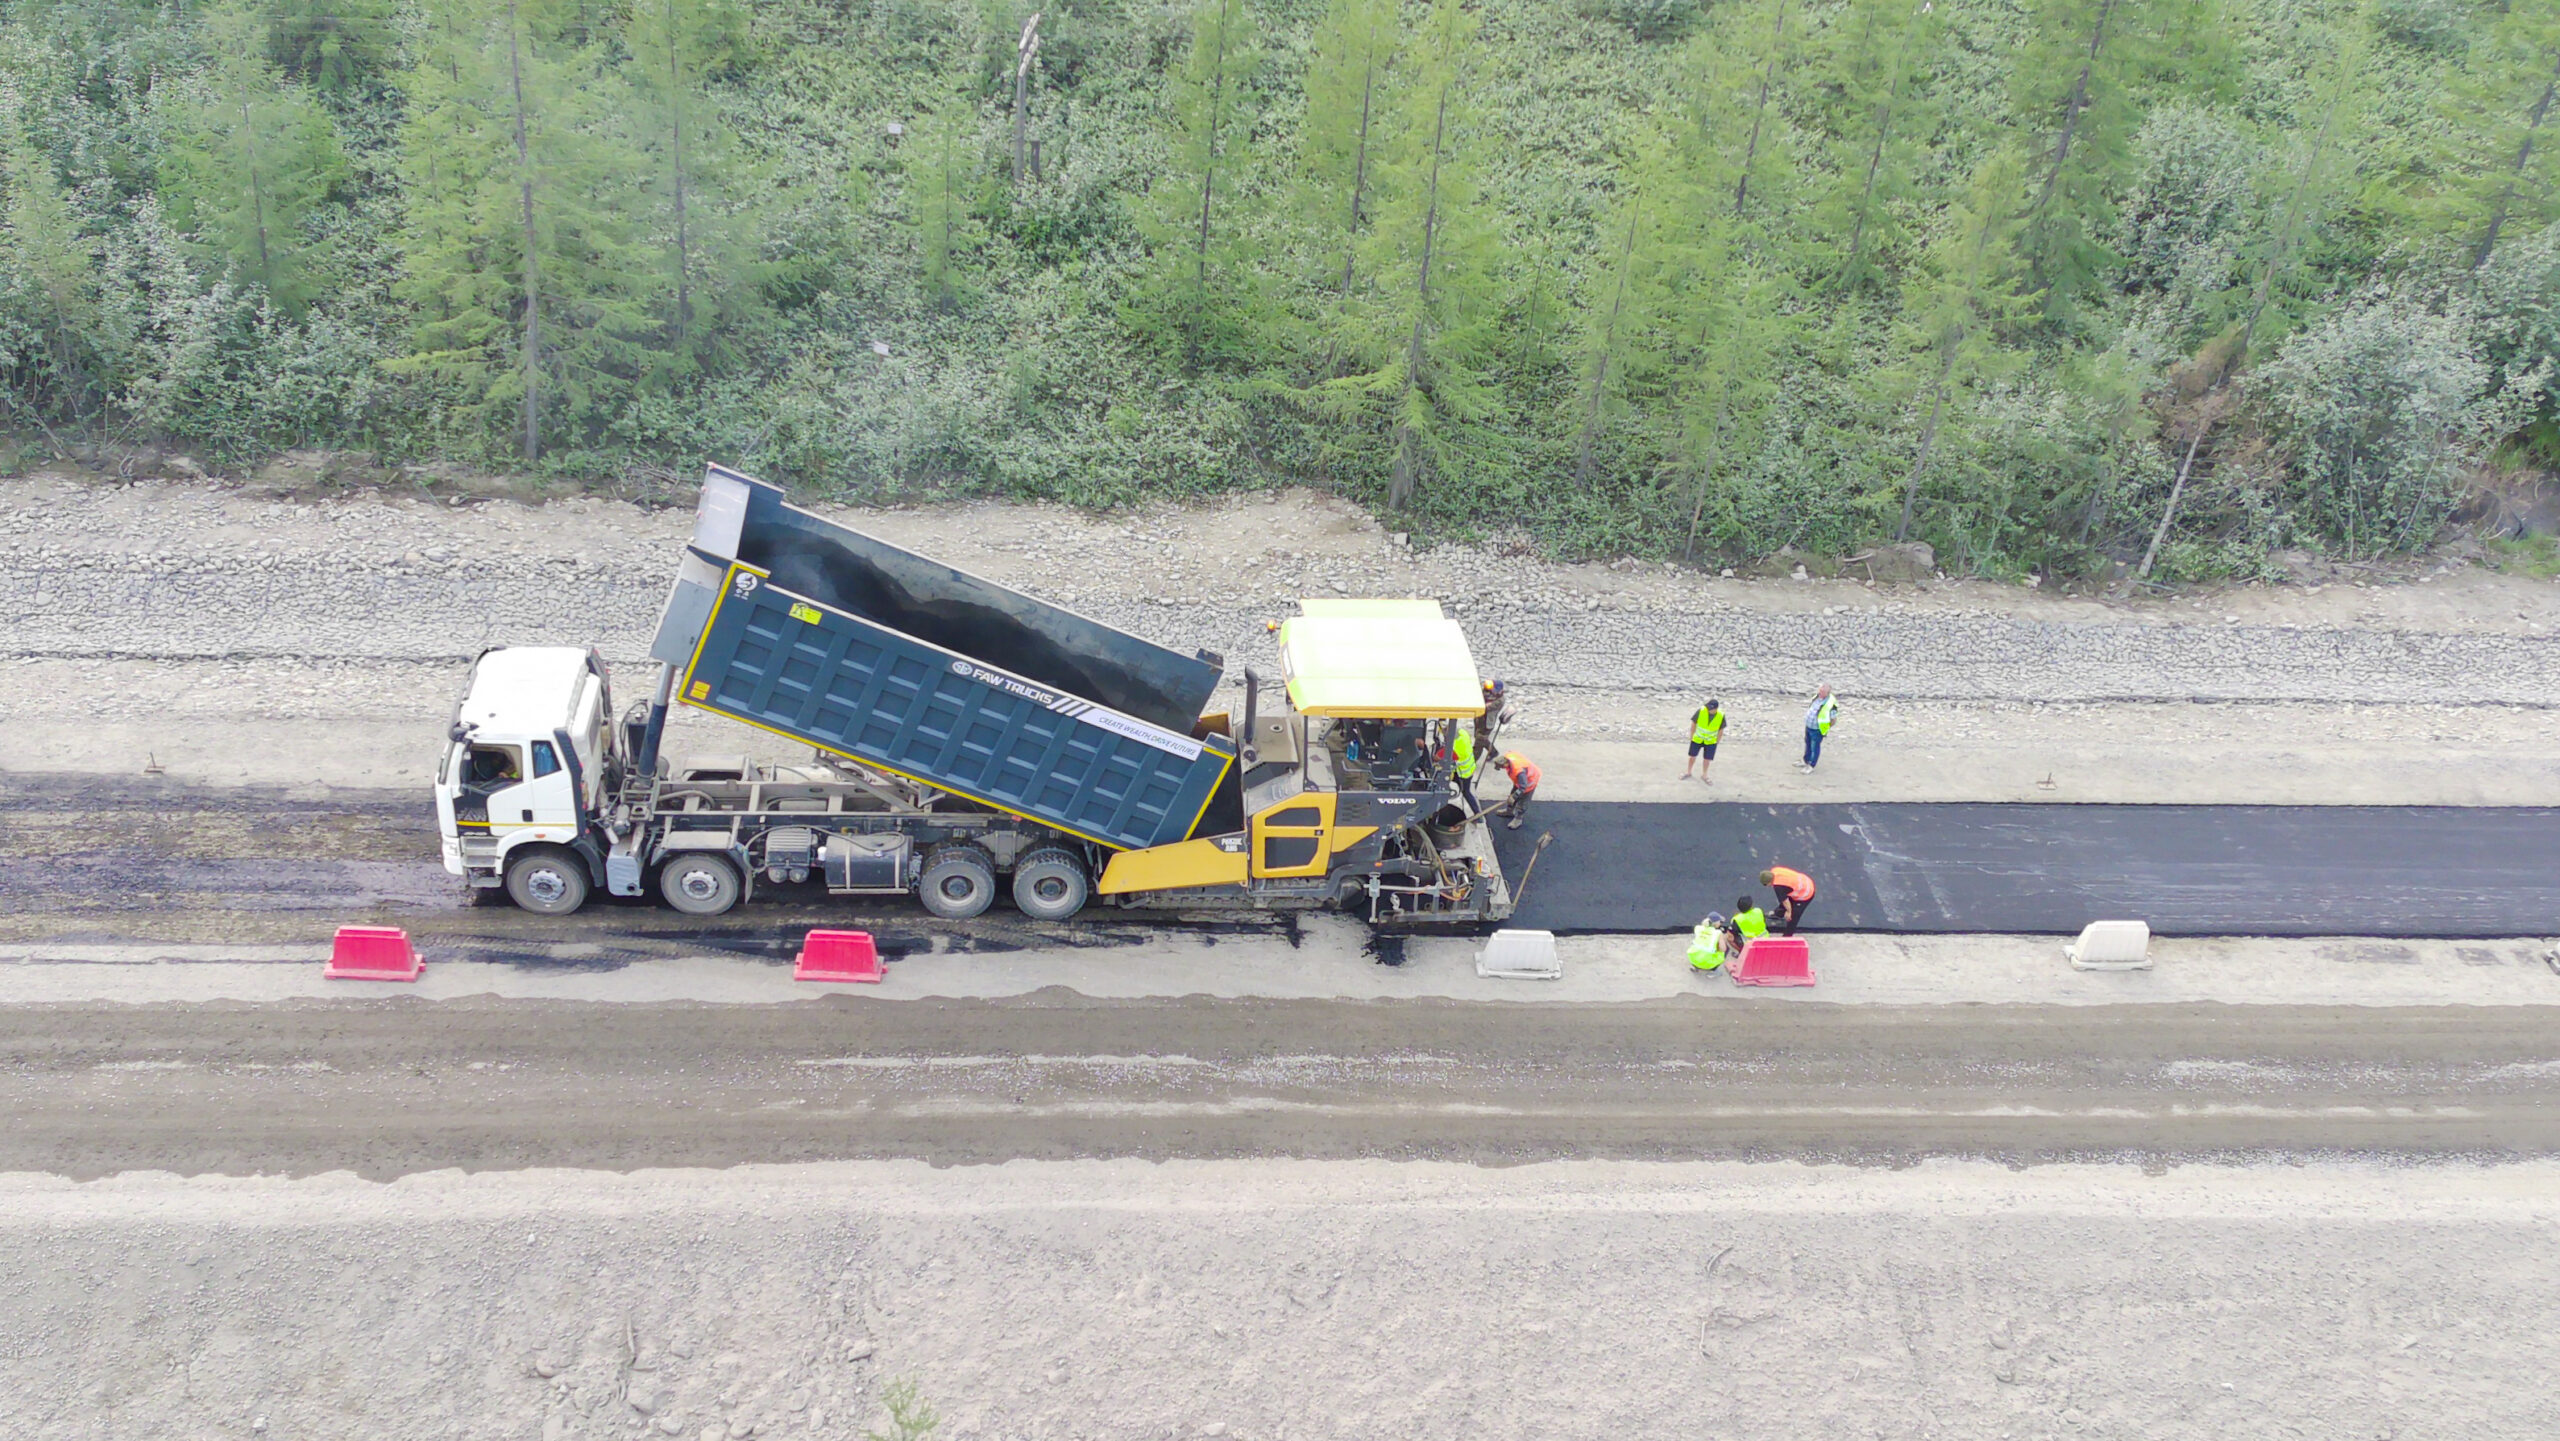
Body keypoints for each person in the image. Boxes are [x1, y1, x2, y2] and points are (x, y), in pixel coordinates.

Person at [1760, 865, 1816, 935]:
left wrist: (1789, 912)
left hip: (1805, 893)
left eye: (1765, 884)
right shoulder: (1775, 870)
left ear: (1769, 882)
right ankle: (1778, 913)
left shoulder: (1778, 887)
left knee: (1793, 916)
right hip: (1804, 881)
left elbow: (1785, 901)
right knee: (1784, 899)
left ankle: (1787, 935)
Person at [1494, 751, 1540, 830]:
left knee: (1522, 800)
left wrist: (1514, 796)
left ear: (1505, 764)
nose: (1502, 769)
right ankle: (1510, 811)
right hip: (1520, 781)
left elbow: (1523, 787)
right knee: (1512, 795)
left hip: (1529, 782)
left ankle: (1518, 819)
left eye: (1502, 767)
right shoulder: (1508, 757)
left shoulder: (1519, 771)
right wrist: (1513, 796)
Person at [1683, 699, 1725, 782]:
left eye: (1711, 709)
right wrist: (1692, 735)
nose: (1708, 710)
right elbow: (1694, 723)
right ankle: (1688, 772)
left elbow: (1721, 729)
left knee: (1707, 759)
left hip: (1710, 741)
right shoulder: (1701, 711)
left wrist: (1717, 741)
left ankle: (1704, 775)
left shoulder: (1720, 715)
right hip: (1698, 738)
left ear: (1716, 709)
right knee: (1692, 756)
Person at [1800, 685, 1838, 771]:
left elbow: (1833, 719)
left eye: (1822, 692)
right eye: (1820, 691)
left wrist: (1825, 728)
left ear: (1827, 693)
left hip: (1817, 730)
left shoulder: (1831, 704)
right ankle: (1805, 760)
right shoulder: (1816, 697)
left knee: (1815, 747)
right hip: (1809, 726)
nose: (1820, 693)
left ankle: (1811, 765)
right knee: (1808, 744)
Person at [1450, 722, 1480, 810]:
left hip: (1464, 773)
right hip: (1470, 766)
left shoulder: (1457, 746)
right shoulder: (1462, 732)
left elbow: (1449, 757)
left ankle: (1478, 815)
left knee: (1466, 792)